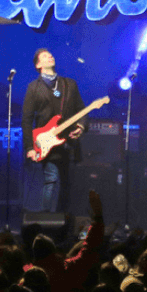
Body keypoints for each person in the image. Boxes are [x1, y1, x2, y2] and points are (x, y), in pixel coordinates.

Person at [22, 48, 86, 213]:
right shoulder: (33, 87)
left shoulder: (69, 84)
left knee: (68, 183)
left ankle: (63, 219)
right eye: (44, 56)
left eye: (50, 54)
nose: (50, 55)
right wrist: (29, 147)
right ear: (38, 64)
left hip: (68, 142)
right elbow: (27, 119)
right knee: (50, 179)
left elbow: (81, 110)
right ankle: (46, 218)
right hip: (45, 141)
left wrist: (81, 126)